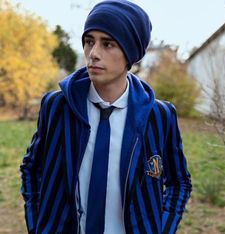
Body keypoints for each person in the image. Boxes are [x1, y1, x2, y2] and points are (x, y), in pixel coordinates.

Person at [20, 0, 192, 233]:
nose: (93, 54)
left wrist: (163, 228)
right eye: (89, 42)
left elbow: (179, 182)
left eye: (107, 44)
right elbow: (32, 168)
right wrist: (38, 224)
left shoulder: (159, 116)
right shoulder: (57, 107)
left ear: (130, 52)